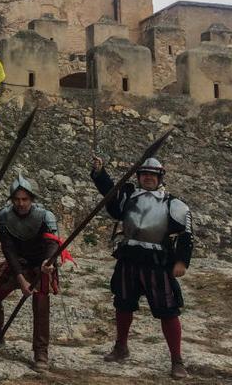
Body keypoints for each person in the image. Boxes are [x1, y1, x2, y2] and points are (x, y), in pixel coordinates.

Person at [91, 157, 193, 380]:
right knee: (123, 304)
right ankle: (121, 347)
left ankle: (176, 359)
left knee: (168, 310)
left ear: (159, 177)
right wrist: (100, 173)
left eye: (152, 175)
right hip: (129, 258)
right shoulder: (128, 197)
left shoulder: (173, 204)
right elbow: (110, 195)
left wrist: (181, 262)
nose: (148, 177)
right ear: (138, 177)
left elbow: (186, 236)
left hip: (157, 263)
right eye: (144, 174)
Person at [0, 172, 67, 371]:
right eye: (17, 199)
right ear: (12, 200)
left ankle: (40, 353)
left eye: (25, 199)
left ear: (32, 199)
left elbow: (52, 243)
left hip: (41, 266)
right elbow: (8, 249)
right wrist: (20, 279)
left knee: (40, 304)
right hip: (18, 264)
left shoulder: (45, 216)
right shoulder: (4, 216)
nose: (21, 203)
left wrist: (49, 261)